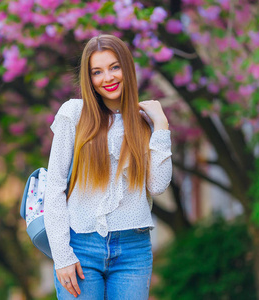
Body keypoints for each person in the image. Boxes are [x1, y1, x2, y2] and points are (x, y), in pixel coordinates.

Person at [44, 34, 172, 299]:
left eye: (115, 67)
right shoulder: (74, 114)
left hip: (133, 251)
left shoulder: (144, 122)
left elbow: (157, 186)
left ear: (127, 68)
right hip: (80, 246)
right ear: (89, 79)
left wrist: (161, 126)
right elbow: (54, 186)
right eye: (97, 72)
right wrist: (62, 256)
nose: (108, 78)